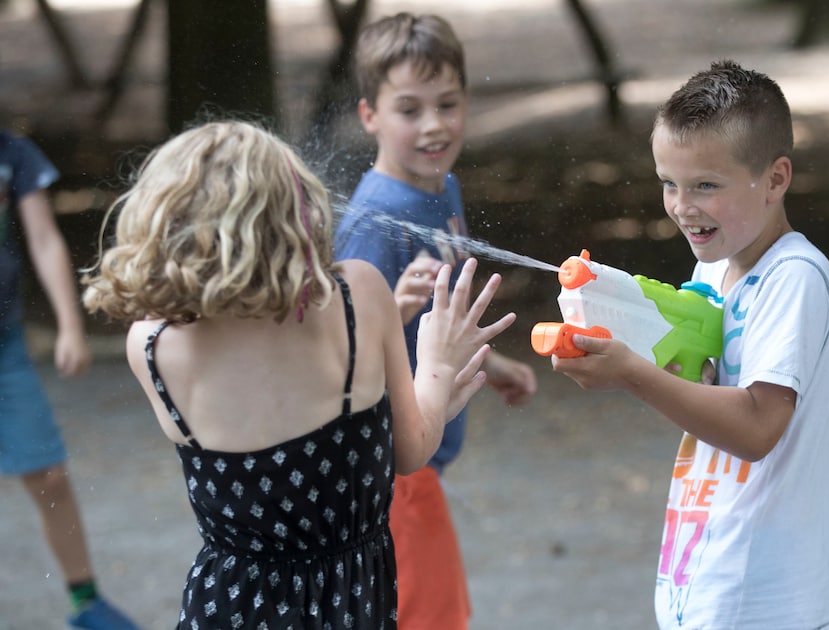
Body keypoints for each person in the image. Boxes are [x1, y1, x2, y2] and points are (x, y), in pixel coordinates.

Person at [80, 121, 515, 628]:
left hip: (229, 606)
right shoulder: (357, 298)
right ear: (296, 213)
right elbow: (410, 450)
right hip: (348, 603)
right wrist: (438, 366)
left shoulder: (151, 347)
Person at [551, 60, 829, 629]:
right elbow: (707, 393)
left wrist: (633, 374)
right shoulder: (712, 272)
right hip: (709, 576)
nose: (682, 206)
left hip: (767, 599)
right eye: (669, 183)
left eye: (705, 186)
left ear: (776, 178)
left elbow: (759, 427)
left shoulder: (794, 277)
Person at [334, 13, 538, 629]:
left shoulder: (442, 187)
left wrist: (489, 364)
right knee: (433, 618)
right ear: (369, 114)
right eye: (409, 109)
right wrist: (388, 306)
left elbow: (434, 325)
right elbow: (337, 361)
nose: (434, 125)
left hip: (423, 458)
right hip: (389, 469)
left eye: (448, 103)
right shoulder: (373, 223)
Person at [0, 129, 140, 629]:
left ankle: (86, 602)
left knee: (49, 474)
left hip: (5, 345)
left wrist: (69, 324)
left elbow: (42, 237)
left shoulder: (12, 153)